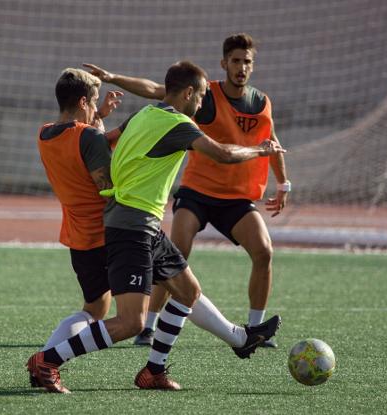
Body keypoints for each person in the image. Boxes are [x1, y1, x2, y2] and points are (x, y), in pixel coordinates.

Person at [26, 61, 285, 393]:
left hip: (142, 222)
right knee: (131, 322)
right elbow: (222, 153)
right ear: (189, 93)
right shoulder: (177, 123)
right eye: (202, 95)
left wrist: (101, 118)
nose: (204, 102)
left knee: (188, 292)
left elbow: (109, 140)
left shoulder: (145, 114)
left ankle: (157, 369)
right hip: (131, 225)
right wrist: (261, 149)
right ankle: (49, 359)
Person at [84, 33, 289, 348]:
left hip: (235, 197)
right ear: (224, 63)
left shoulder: (260, 102)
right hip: (195, 193)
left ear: (253, 65)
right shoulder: (203, 99)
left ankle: (252, 329)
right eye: (236, 60)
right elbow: (158, 91)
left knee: (262, 251)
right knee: (177, 255)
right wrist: (113, 79)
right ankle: (146, 327)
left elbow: (270, 141)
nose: (242, 67)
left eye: (247, 61)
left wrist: (283, 182)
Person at [33, 68, 122, 389]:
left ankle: (43, 360)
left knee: (94, 310)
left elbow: (82, 139)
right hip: (107, 233)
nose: (96, 106)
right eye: (94, 101)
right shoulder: (89, 136)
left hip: (77, 235)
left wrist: (98, 116)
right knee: (177, 283)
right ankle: (236, 336)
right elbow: (106, 186)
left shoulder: (44, 133)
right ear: (83, 101)